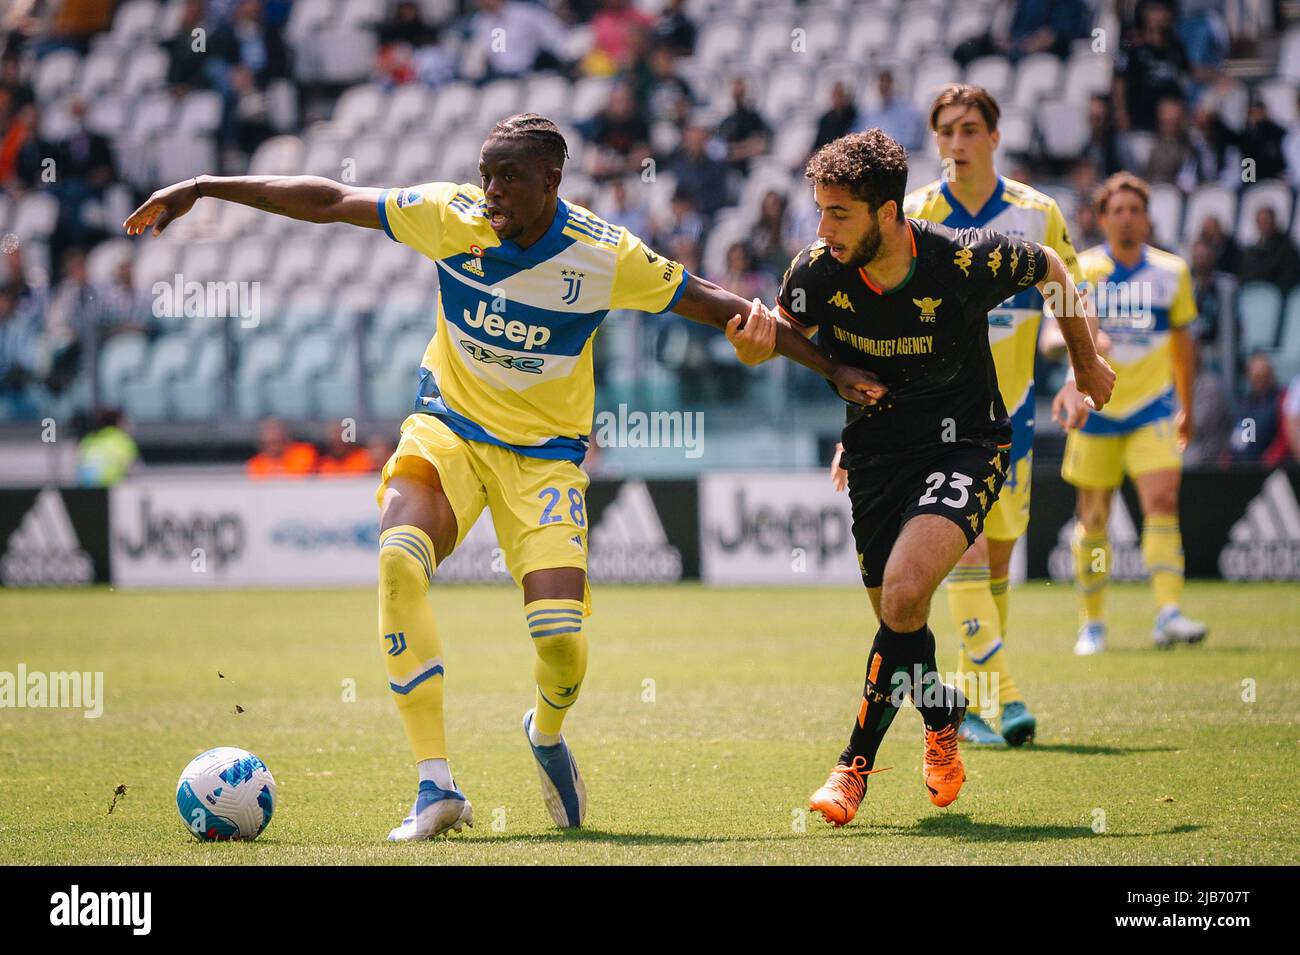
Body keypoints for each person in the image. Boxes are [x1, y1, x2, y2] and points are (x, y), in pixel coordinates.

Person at [125, 113, 882, 841]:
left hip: (544, 458)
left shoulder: (604, 254)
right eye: (486, 176)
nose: (491, 192)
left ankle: (545, 731)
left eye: (509, 179)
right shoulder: (448, 216)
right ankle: (436, 786)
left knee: (560, 644)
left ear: (552, 180)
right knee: (397, 559)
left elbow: (719, 306)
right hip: (447, 428)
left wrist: (829, 367)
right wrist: (202, 185)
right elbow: (328, 200)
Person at [734, 129, 1113, 826]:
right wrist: (800, 360)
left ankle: (852, 767)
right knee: (898, 618)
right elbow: (782, 332)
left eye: (838, 213)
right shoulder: (816, 270)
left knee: (906, 593)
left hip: (966, 443)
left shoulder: (962, 260)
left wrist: (1085, 365)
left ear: (887, 213)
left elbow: (1052, 268)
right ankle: (941, 711)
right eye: (818, 211)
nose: (822, 229)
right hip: (877, 453)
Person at [836, 84, 1087, 748]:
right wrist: (856, 425)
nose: (956, 142)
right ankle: (1006, 697)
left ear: (995, 136)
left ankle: (971, 702)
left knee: (995, 568)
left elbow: (1070, 300)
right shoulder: (912, 214)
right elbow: (874, 328)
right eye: (945, 130)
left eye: (970, 128)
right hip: (933, 425)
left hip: (1013, 416)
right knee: (966, 553)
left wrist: (1077, 374)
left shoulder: (1038, 213)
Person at [1050, 172, 1208, 655]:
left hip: (1153, 408)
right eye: (1116, 210)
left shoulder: (1172, 272)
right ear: (1101, 218)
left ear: (1147, 217)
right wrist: (1085, 350)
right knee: (1094, 517)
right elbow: (1056, 338)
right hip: (1098, 409)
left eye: (1134, 209)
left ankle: (1168, 613)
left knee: (1162, 503)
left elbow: (1183, 348)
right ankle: (1092, 624)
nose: (1126, 217)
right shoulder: (1084, 272)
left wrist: (1188, 407)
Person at [76, 407, 138, 486]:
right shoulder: (123, 440)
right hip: (109, 487)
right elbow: (131, 469)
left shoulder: (88, 440)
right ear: (118, 422)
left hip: (84, 488)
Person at [245, 417, 319, 479]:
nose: (273, 444)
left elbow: (300, 478)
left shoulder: (305, 453)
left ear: (286, 436)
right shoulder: (255, 464)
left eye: (277, 440)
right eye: (269, 441)